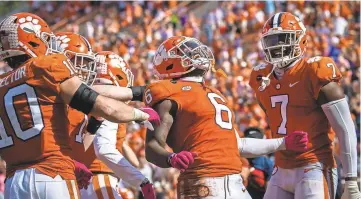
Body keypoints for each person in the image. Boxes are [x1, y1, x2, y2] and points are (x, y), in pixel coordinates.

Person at [0, 13, 159, 199]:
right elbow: (105, 106)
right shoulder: (45, 66)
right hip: (53, 174)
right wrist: (141, 115)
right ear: (32, 39)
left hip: (13, 182)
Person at [144, 36, 309, 198]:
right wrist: (171, 158)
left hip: (235, 182)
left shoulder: (213, 92)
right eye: (184, 51)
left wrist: (283, 143)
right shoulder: (167, 92)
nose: (196, 52)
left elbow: (238, 145)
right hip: (202, 182)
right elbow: (152, 147)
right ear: (168, 63)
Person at [249, 12, 360, 199]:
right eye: (272, 40)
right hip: (280, 167)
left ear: (300, 40)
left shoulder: (314, 72)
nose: (277, 46)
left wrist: (350, 180)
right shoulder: (261, 77)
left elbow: (345, 129)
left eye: (283, 39)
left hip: (314, 165)